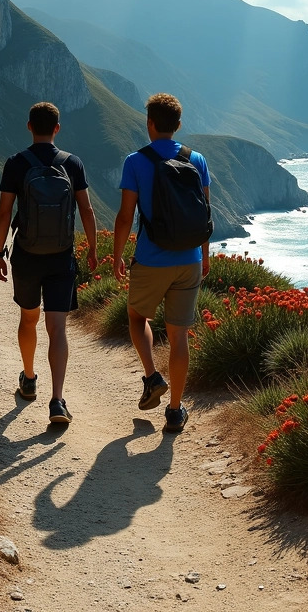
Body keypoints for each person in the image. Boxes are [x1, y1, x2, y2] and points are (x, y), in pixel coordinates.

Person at [0, 102, 98, 425]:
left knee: (28, 319)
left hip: (26, 256)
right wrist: (93, 249)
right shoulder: (73, 163)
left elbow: (5, 212)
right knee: (57, 329)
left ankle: (28, 378)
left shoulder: (16, 164)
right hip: (62, 256)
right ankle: (57, 400)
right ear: (57, 128)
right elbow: (87, 210)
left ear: (29, 126)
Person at [113, 93, 212, 433]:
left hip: (151, 258)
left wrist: (117, 255)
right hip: (190, 259)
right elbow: (204, 215)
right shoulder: (196, 159)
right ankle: (174, 411)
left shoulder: (135, 161)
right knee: (179, 334)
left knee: (137, 316)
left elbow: (126, 215)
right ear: (179, 125)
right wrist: (205, 256)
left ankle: (152, 376)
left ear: (150, 124)